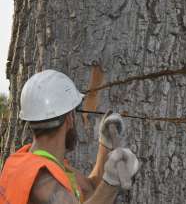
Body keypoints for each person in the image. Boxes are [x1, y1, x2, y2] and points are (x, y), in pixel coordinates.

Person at [0, 69, 139, 204]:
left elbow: (90, 190)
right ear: (69, 118)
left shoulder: (34, 161)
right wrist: (112, 182)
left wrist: (105, 145)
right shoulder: (41, 181)